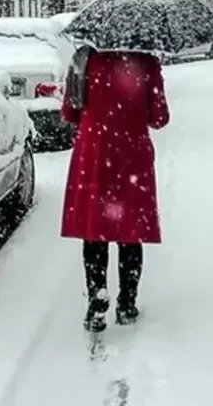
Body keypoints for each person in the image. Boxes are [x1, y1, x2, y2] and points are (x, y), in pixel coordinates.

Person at [61, 45, 170, 332]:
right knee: (130, 229)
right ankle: (127, 304)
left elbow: (70, 112)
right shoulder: (147, 63)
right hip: (132, 155)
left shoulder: (84, 60)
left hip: (94, 153)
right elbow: (159, 119)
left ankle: (97, 300)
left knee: (95, 229)